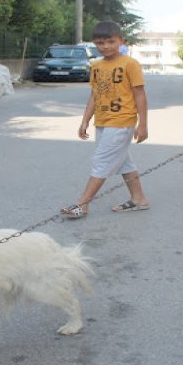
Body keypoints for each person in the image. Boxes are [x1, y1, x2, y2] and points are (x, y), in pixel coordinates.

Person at [61, 21, 150, 219]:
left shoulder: (130, 64)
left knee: (101, 162)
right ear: (94, 44)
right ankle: (139, 199)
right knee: (124, 162)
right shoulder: (96, 66)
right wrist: (85, 120)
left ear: (121, 41)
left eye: (111, 41)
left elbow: (140, 95)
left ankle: (82, 204)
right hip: (102, 121)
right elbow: (94, 95)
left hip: (121, 122)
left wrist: (142, 124)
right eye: (101, 43)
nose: (106, 46)